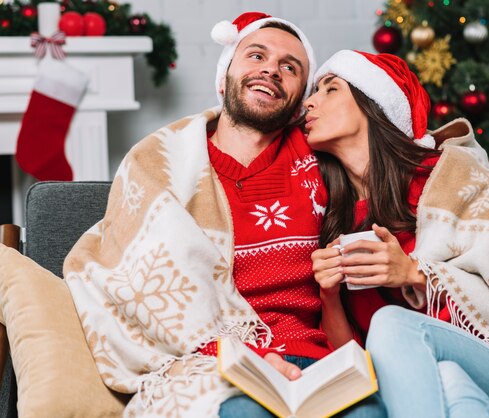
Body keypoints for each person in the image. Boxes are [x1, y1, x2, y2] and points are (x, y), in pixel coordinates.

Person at [62, 15, 385, 418]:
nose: (271, 69)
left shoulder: (319, 157)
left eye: (290, 67)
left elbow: (403, 149)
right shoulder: (161, 162)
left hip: (315, 363)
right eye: (256, 55)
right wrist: (245, 357)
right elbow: (140, 287)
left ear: (302, 98)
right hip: (213, 364)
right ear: (225, 74)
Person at [306, 50, 489, 418]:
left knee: (392, 324)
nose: (309, 102)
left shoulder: (453, 175)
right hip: (409, 382)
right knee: (450, 380)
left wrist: (413, 273)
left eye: (330, 89)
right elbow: (352, 360)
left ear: (373, 105)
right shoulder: (332, 215)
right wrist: (329, 295)